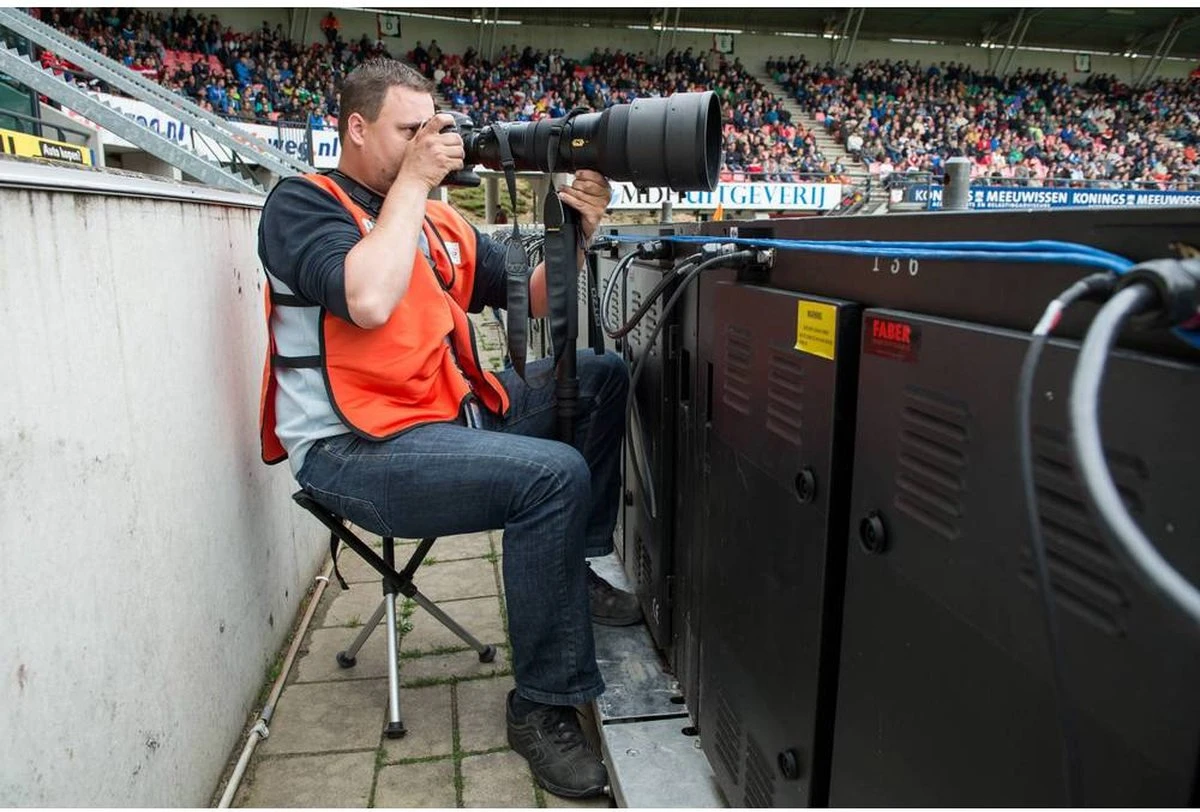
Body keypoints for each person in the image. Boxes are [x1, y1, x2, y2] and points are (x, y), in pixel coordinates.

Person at [256, 58, 640, 799]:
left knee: (599, 377)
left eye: (432, 127)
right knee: (550, 476)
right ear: (357, 127)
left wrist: (576, 230)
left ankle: (574, 572)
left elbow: (533, 297)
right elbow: (367, 298)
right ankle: (542, 705)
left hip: (440, 412)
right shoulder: (301, 205)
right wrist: (413, 184)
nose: (429, 143)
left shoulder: (434, 219)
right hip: (353, 450)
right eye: (410, 131)